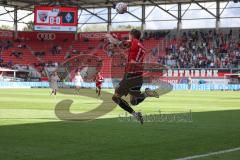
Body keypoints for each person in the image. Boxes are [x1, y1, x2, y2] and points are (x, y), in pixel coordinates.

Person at [111, 29, 159, 125]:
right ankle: (146, 94)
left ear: (131, 35)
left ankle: (135, 114)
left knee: (116, 97)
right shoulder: (141, 46)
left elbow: (123, 44)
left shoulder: (134, 42)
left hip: (130, 75)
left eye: (129, 35)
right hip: (138, 76)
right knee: (133, 101)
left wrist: (113, 39)